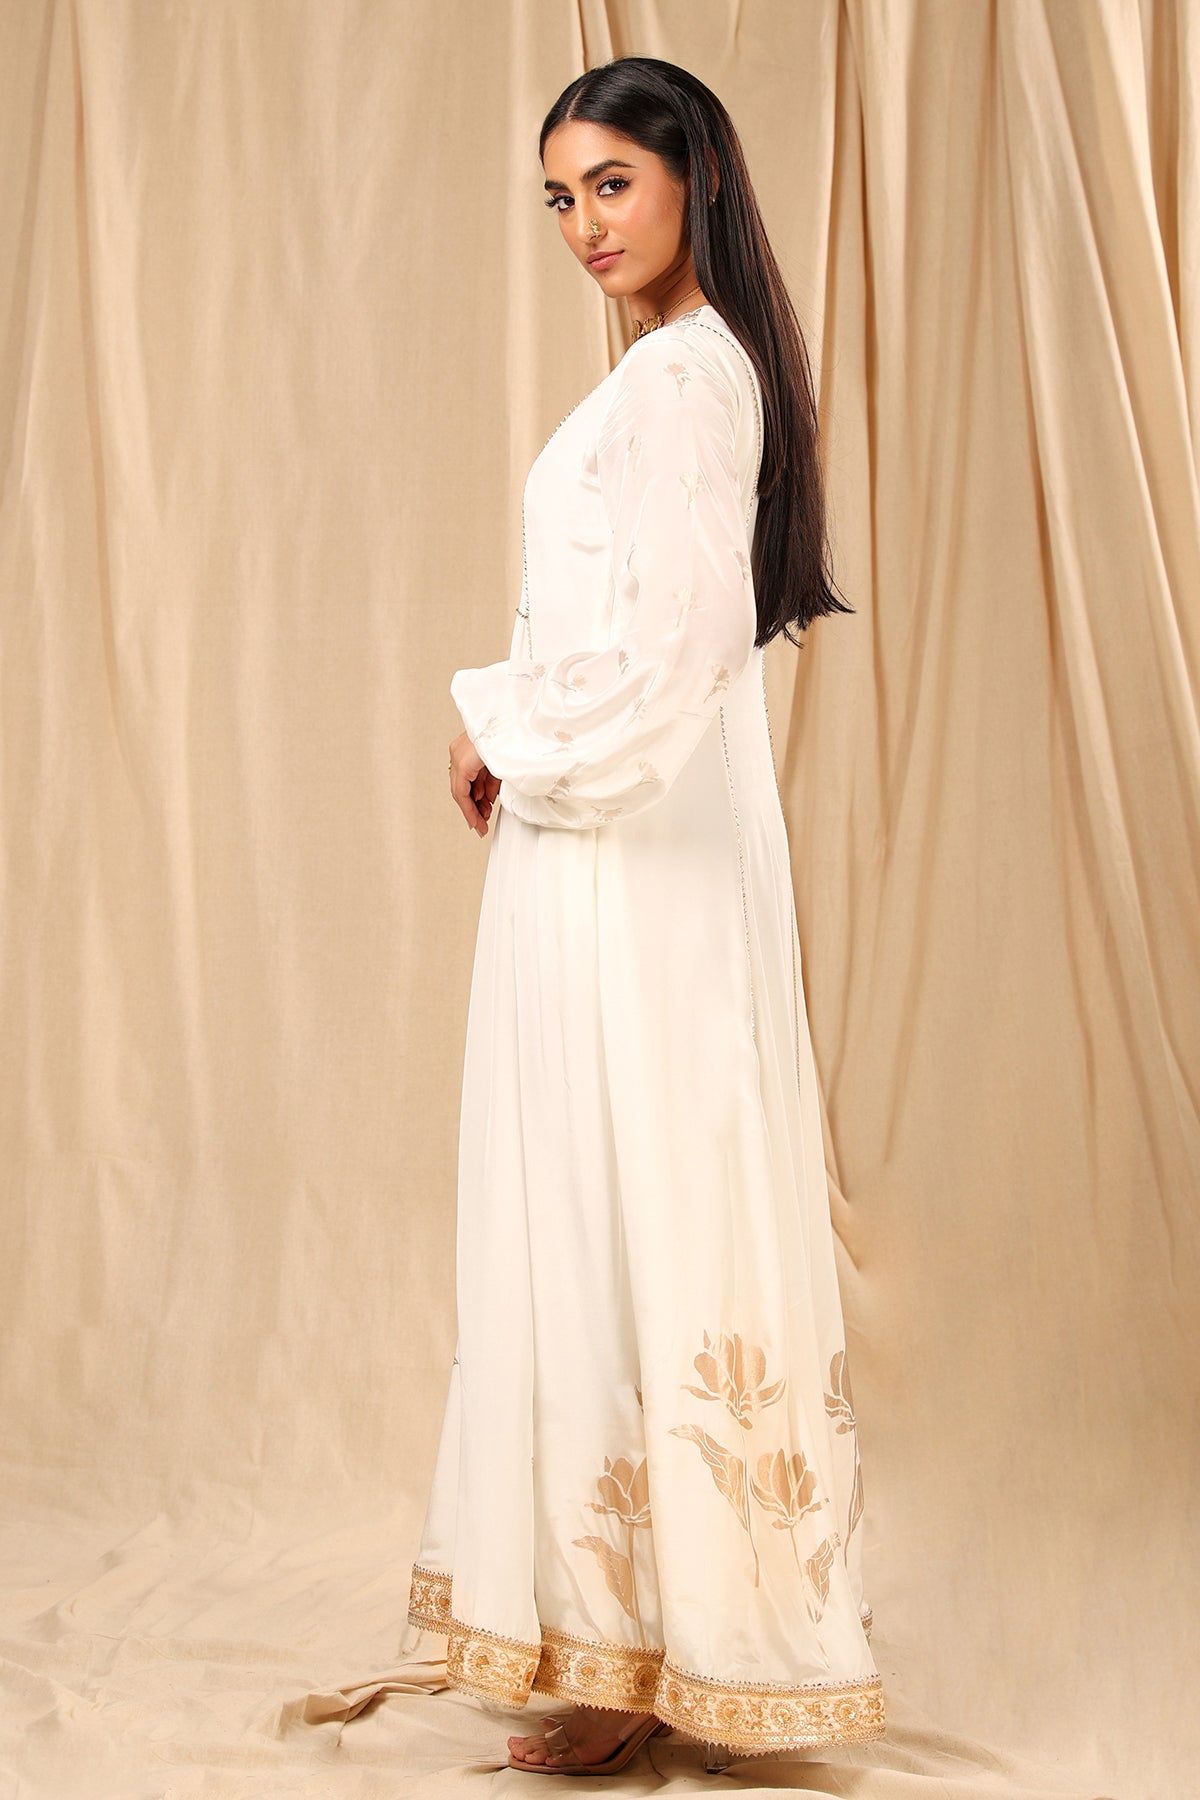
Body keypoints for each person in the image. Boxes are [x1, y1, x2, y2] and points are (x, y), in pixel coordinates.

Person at [423, 55, 887, 1776]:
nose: (583, 225)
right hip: (620, 842)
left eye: (611, 182)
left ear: (695, 174)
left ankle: (655, 1652)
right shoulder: (683, 367)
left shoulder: (689, 381)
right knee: (626, 1199)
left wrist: (499, 724)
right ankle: (637, 1637)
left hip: (635, 860)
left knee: (629, 1201)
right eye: (560, 196)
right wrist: (527, 732)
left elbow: (675, 660)